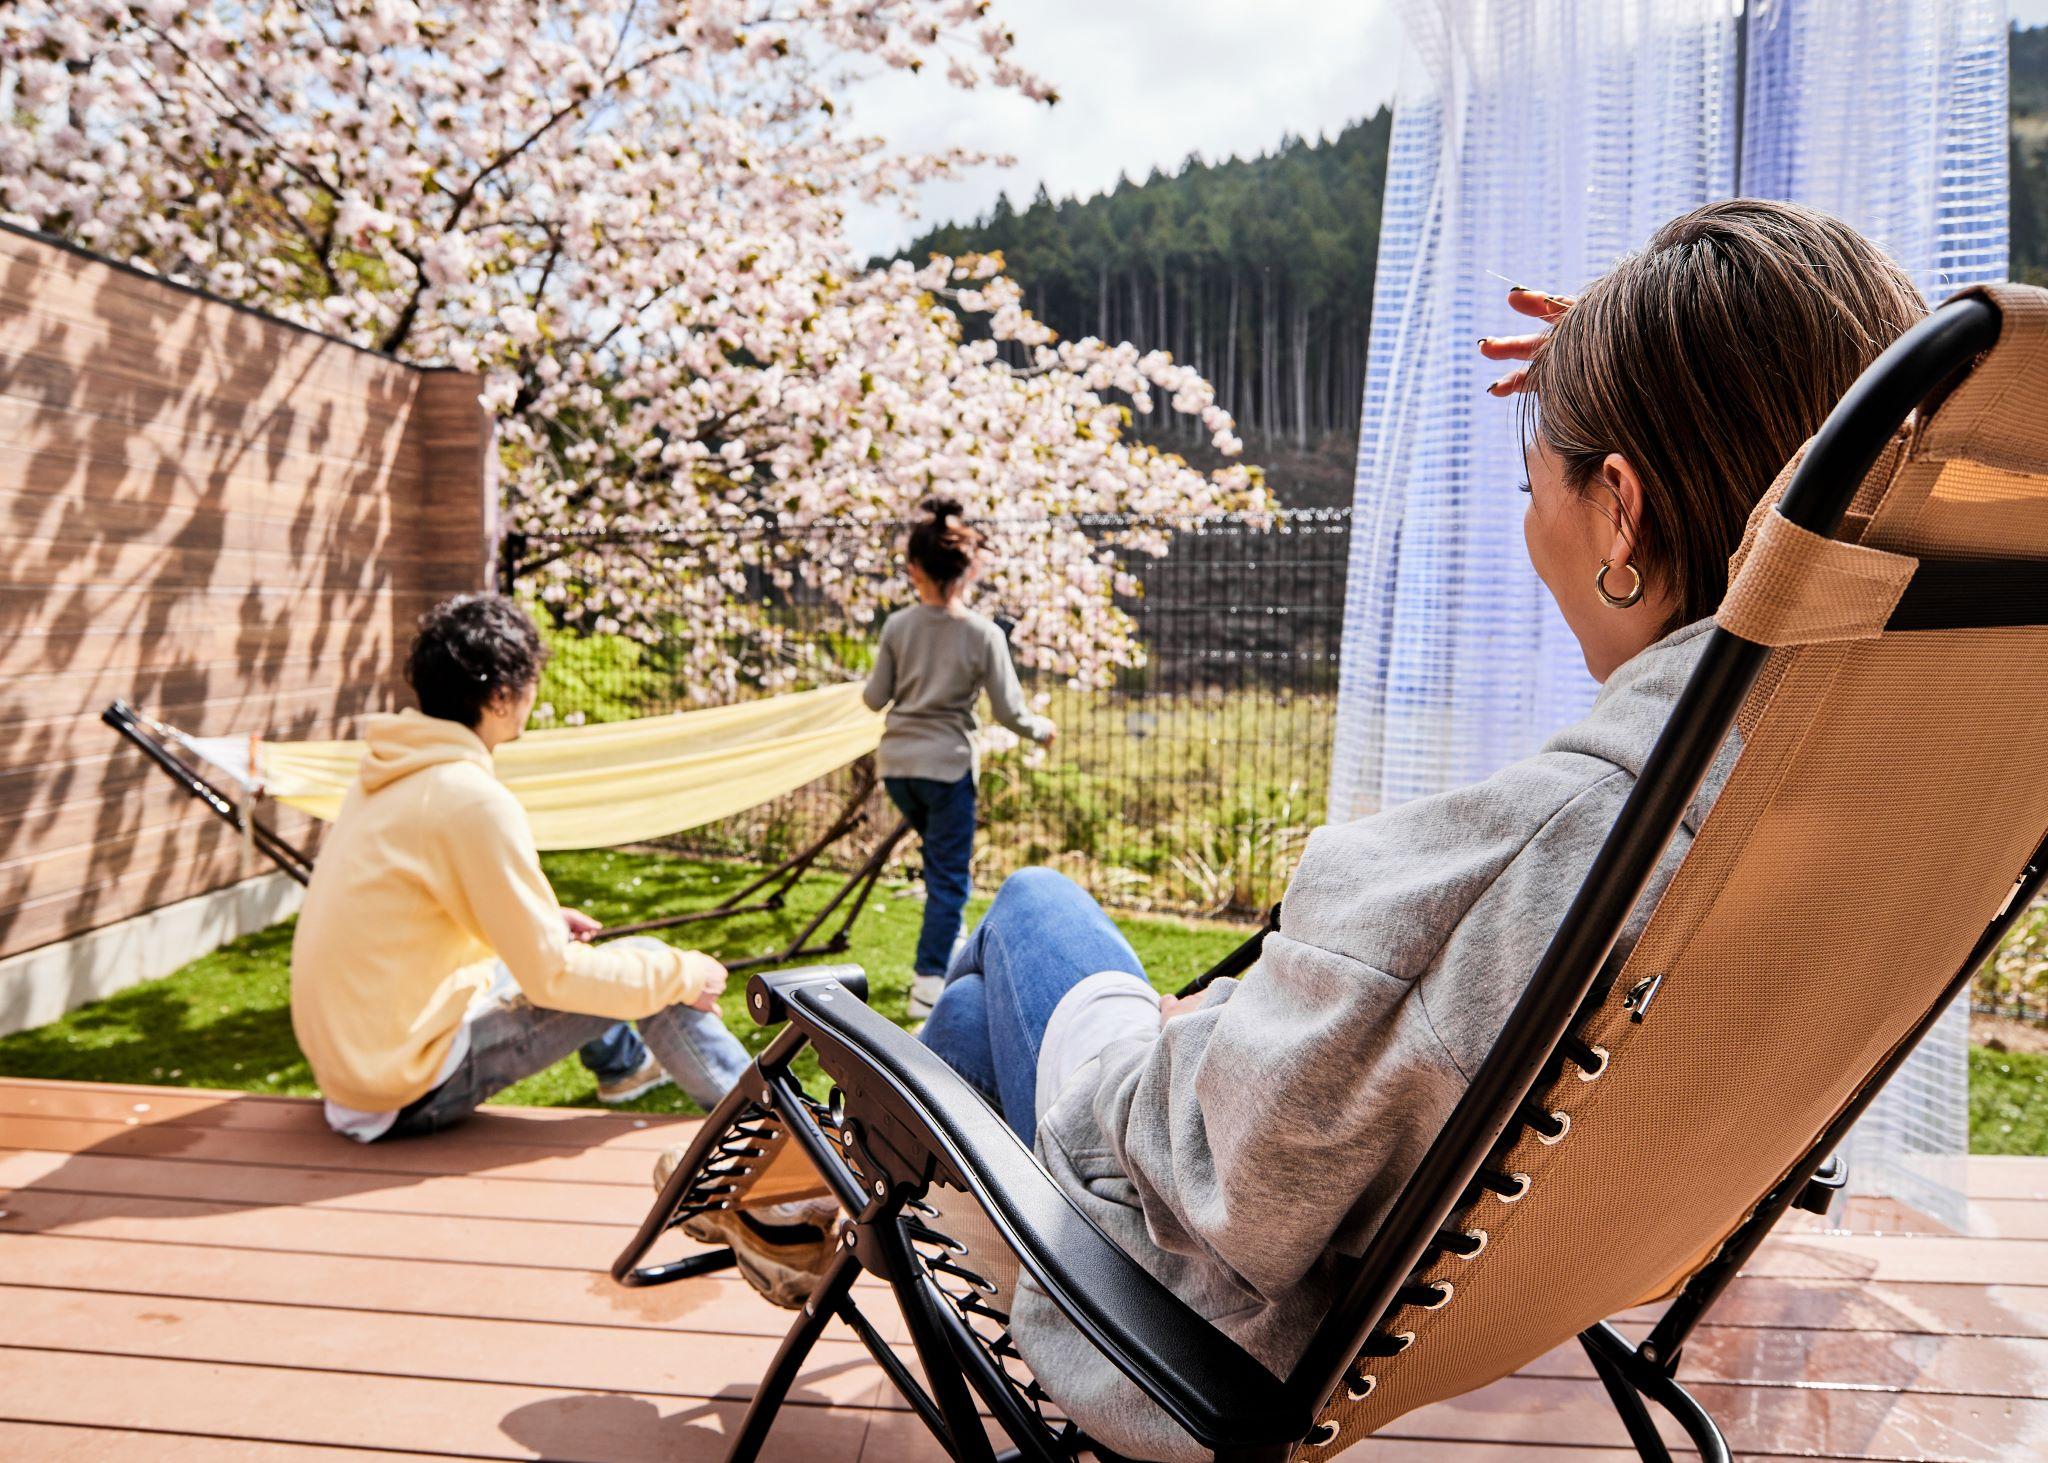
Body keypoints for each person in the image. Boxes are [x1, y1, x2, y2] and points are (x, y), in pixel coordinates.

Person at [909, 199, 1929, 1461]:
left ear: (1620, 513)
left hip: (1187, 1314)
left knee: (1023, 919)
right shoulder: (1876, 788)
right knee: (971, 1005)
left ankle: (869, 1184)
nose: (1527, 520)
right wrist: (1663, 353)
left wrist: (1201, 1041)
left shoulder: (1555, 845)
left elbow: (1224, 1181)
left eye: (1530, 482)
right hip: (1528, 1268)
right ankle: (869, 1176)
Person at [289, 592, 752, 1141]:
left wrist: (541, 919)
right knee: (654, 966)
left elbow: (420, 907)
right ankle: (787, 1144)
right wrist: (686, 974)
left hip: (355, 1070)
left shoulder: (387, 778)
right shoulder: (470, 798)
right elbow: (550, 977)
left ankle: (625, 1069)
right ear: (503, 696)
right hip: (402, 1087)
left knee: (575, 955)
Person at [863, 497, 1057, 1018]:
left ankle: (947, 947)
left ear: (912, 569)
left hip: (899, 769)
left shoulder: (897, 627)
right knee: (949, 878)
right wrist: (1043, 730)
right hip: (947, 768)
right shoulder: (983, 634)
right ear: (970, 568)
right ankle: (928, 983)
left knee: (938, 868)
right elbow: (1011, 712)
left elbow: (874, 698)